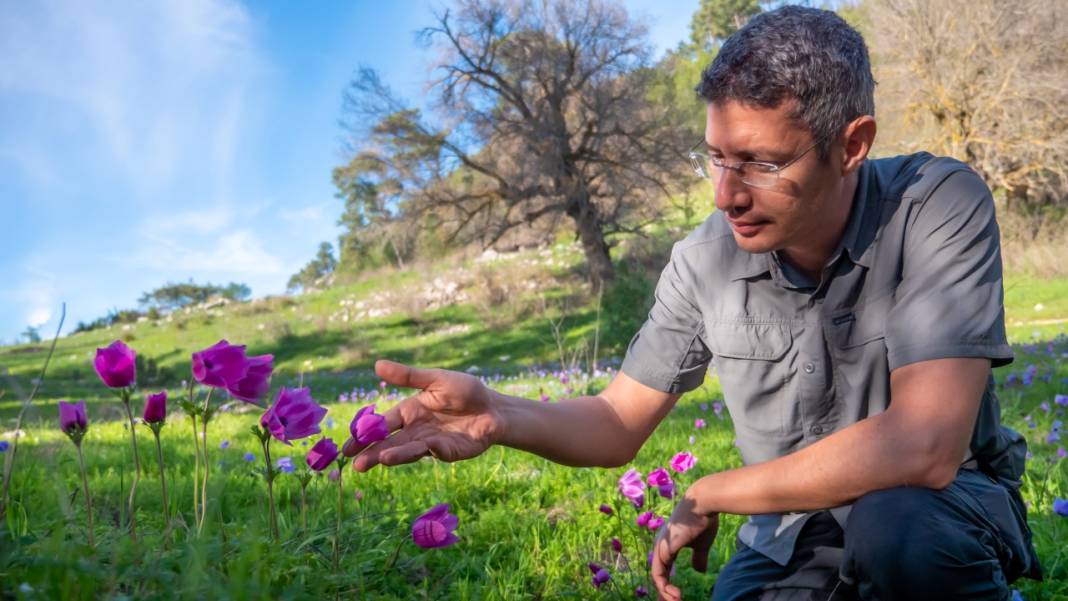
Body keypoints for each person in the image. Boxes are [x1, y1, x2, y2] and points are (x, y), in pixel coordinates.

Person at [341, 6, 1042, 600]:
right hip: (788, 535)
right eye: (716, 157)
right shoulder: (704, 258)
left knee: (898, 532)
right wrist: (501, 412)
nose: (726, 194)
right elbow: (617, 420)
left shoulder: (936, 203)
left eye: (763, 164)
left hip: (937, 512)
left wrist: (709, 490)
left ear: (852, 144)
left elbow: (923, 444)